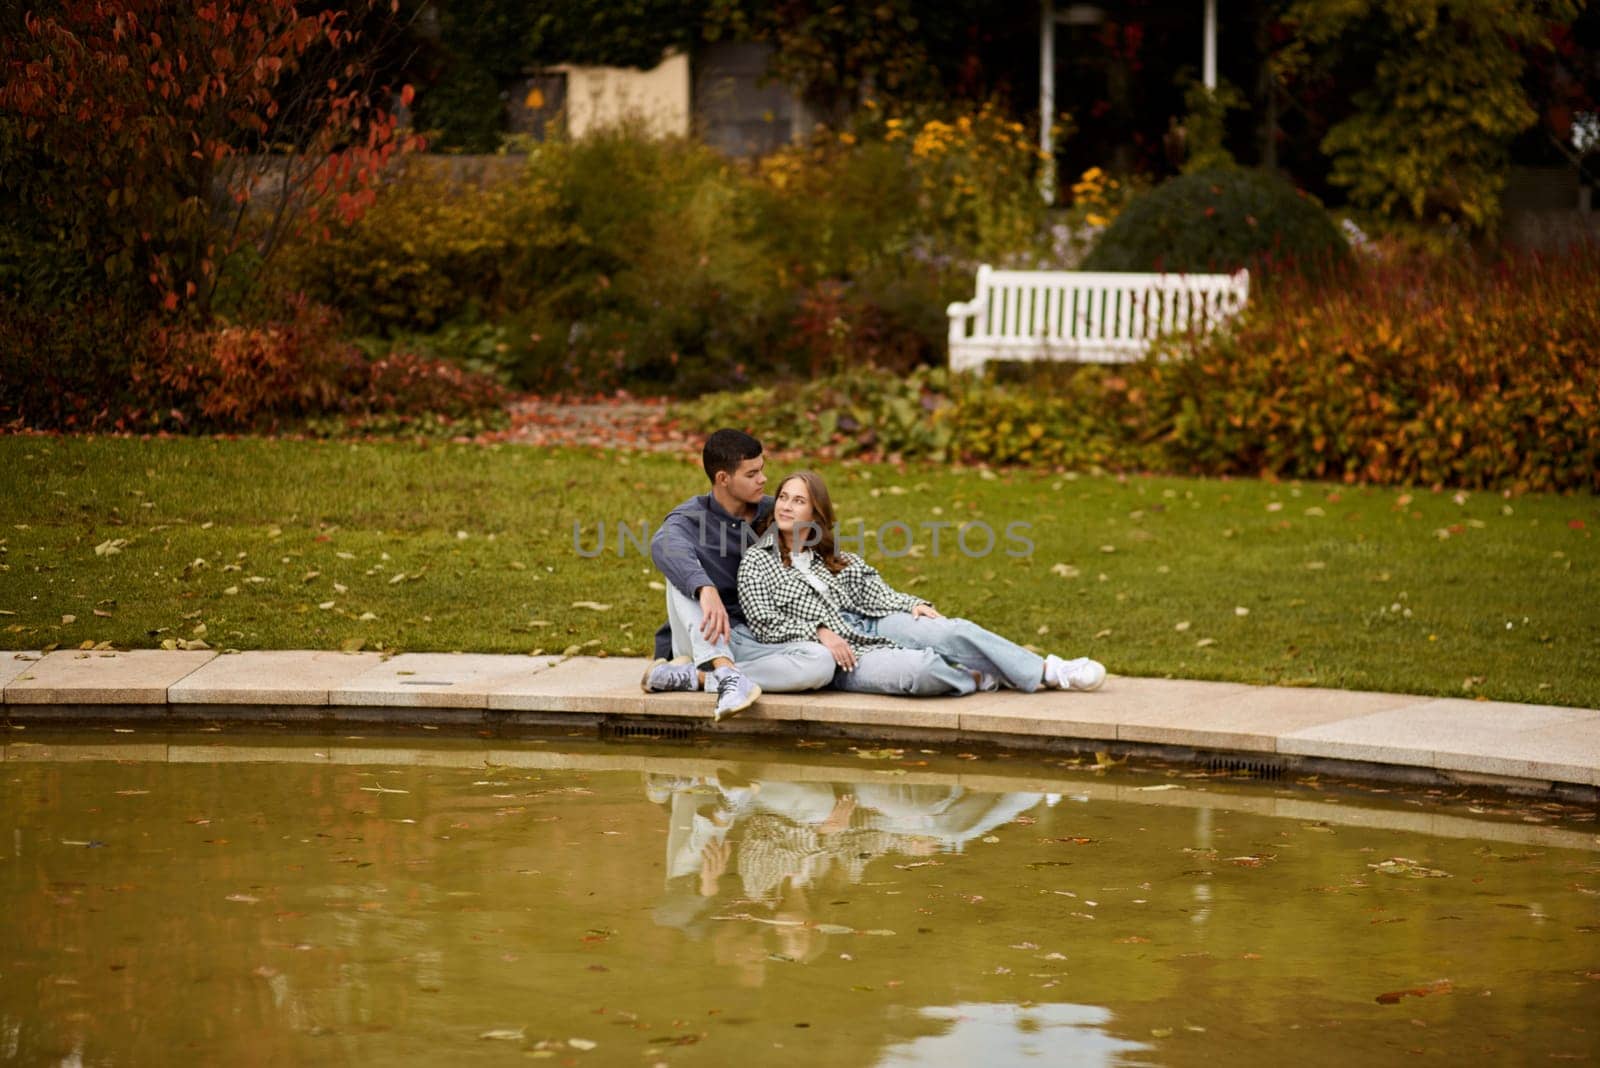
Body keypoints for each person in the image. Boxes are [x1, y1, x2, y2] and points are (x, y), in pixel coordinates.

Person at [738, 470, 1107, 697]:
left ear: (815, 513)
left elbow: (873, 590)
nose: (786, 505)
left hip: (869, 620)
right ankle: (979, 675)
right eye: (783, 497)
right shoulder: (757, 561)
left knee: (946, 630)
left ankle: (1049, 670)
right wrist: (819, 632)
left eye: (798, 500)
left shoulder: (829, 555)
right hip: (842, 655)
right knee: (920, 671)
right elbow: (763, 621)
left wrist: (910, 604)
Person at [642, 430, 836, 720]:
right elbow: (663, 544)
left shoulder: (774, 512)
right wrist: (705, 589)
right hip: (701, 637)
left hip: (758, 635)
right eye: (752, 474)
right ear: (723, 478)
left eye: (762, 470)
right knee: (682, 572)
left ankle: (703, 678)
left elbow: (824, 553)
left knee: (821, 664)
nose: (763, 479)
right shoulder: (690, 518)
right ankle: (720, 667)